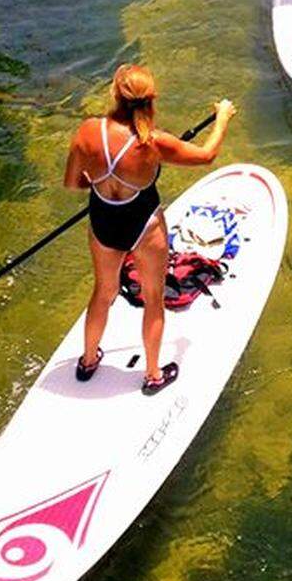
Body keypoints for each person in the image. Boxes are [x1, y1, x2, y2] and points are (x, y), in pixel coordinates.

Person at [63, 65, 236, 395]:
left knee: (104, 293)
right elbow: (207, 155)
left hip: (103, 222)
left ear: (115, 94)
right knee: (154, 298)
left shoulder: (87, 131)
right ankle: (153, 375)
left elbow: (74, 183)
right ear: (150, 101)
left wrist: (102, 178)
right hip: (144, 226)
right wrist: (223, 117)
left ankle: (87, 361)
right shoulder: (154, 143)